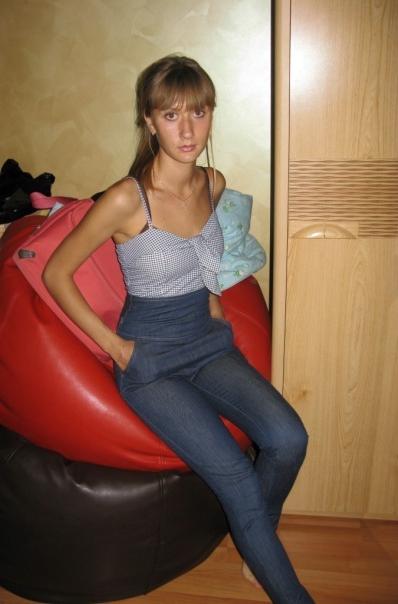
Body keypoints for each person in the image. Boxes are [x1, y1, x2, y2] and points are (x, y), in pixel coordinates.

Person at [43, 54, 314, 604]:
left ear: (212, 114)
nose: (187, 130)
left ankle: (256, 537)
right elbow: (56, 272)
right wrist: (117, 349)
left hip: (208, 344)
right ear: (148, 121)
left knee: (289, 439)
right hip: (151, 361)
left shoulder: (214, 183)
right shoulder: (127, 198)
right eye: (171, 115)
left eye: (198, 112)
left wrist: (214, 307)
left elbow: (205, 259)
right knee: (237, 479)